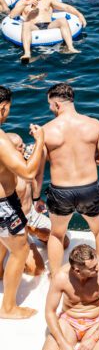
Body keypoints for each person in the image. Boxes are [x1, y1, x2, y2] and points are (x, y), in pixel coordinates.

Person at [40, 83, 99, 274]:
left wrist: (34, 197)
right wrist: (89, 159)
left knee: (56, 235)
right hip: (89, 188)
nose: (50, 109)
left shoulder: (46, 130)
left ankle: (56, 277)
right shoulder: (93, 124)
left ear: (56, 105)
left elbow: (39, 168)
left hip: (60, 190)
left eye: (50, 105)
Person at [0, 86, 45, 319]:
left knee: (2, 243)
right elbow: (28, 172)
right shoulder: (1, 139)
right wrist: (39, 141)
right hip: (3, 205)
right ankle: (8, 308)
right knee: (19, 251)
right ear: (2, 108)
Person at [0, 132, 70, 279]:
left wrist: (37, 199)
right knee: (36, 270)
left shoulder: (26, 160)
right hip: (17, 221)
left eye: (23, 144)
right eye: (20, 147)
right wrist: (34, 231)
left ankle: (32, 238)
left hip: (31, 214)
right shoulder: (5, 174)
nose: (24, 147)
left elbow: (37, 169)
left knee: (64, 242)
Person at [39, 244, 99, 350]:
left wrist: (94, 338)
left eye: (97, 263)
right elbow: (50, 311)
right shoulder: (61, 277)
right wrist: (62, 343)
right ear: (77, 270)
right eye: (92, 268)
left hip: (95, 323)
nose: (98, 268)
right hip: (68, 323)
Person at [9, 0, 86, 62]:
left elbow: (66, 7)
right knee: (26, 24)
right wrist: (28, 3)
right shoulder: (23, 2)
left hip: (49, 25)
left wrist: (79, 14)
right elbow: (12, 15)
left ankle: (70, 47)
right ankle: (27, 53)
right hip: (34, 27)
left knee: (62, 20)